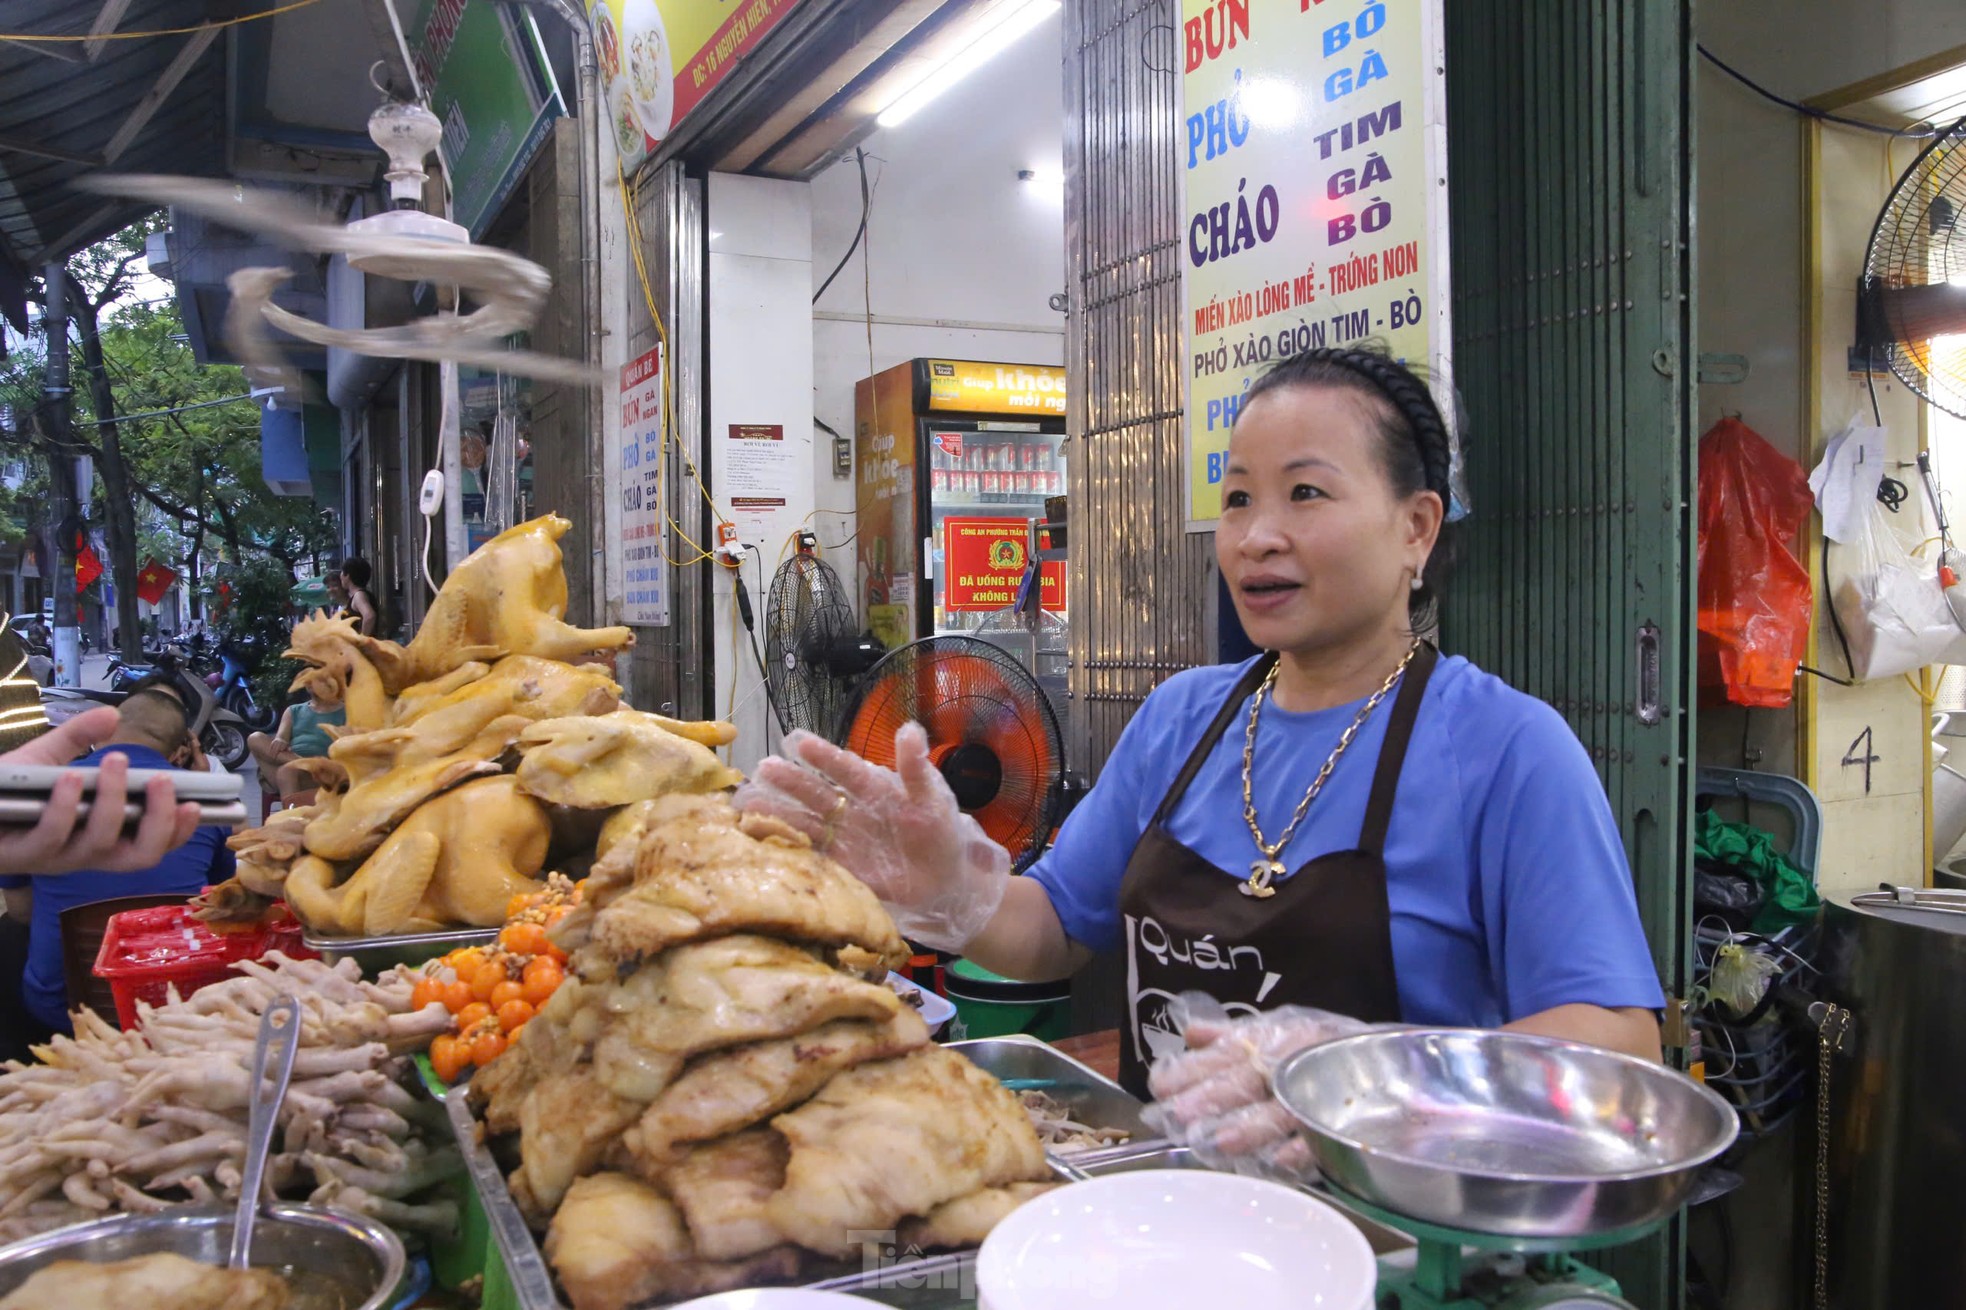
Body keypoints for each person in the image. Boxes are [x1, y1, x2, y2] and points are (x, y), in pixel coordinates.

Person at [736, 346, 1665, 1172]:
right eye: (1236, 498)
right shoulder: (1185, 719)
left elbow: (1619, 1044)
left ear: (1416, 528)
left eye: (1306, 493)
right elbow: (1053, 928)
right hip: (1175, 1222)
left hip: (1397, 1243)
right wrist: (956, 890)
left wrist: (1383, 1082)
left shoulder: (1506, 747)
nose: (1257, 535)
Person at [0, 691, 233, 1040]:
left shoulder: (43, 790)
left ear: (104, 734)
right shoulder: (206, 799)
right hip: (181, 1006)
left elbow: (21, 910)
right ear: (177, 751)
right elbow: (217, 899)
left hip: (64, 1009)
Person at [0, 707, 201, 876]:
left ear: (100, 739)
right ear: (176, 753)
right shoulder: (194, 800)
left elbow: (20, 909)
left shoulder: (53, 786)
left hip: (61, 923)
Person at [249, 677, 345, 803]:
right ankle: (308, 763)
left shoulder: (347, 712)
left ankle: (292, 820)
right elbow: (280, 740)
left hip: (323, 775)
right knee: (255, 738)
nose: (309, 682)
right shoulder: (293, 710)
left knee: (287, 771)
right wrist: (280, 740)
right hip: (292, 766)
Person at [338, 558, 378, 637]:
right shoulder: (360, 595)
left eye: (342, 572)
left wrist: (362, 640)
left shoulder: (359, 596)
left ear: (348, 575)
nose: (340, 576)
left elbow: (369, 616)